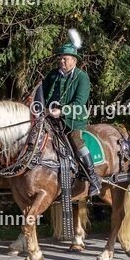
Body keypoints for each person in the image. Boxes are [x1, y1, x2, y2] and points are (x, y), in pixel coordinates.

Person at [42, 28, 102, 196]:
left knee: (75, 140)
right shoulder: (52, 75)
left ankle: (93, 178)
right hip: (49, 117)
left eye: (65, 58)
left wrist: (61, 111)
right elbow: (43, 94)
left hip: (73, 118)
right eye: (60, 58)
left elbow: (79, 102)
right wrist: (41, 107)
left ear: (74, 60)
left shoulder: (82, 77)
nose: (61, 61)